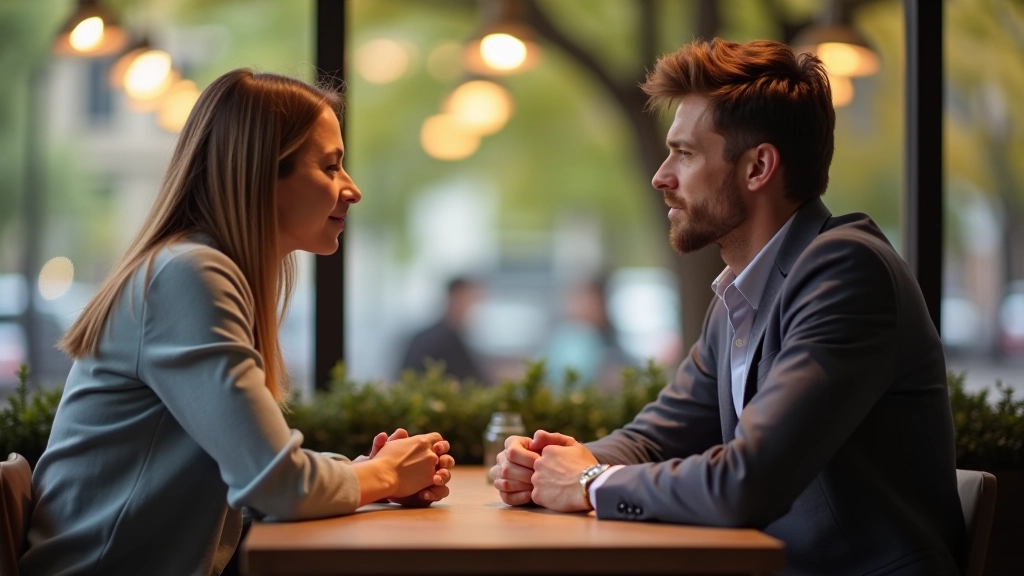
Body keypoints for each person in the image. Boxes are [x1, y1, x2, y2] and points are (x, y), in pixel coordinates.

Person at [490, 38, 966, 576]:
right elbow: (655, 438)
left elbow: (748, 481)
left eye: (685, 153)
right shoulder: (743, 292)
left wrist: (588, 483)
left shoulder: (846, 272)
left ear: (758, 166)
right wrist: (553, 464)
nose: (661, 177)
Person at [20, 69, 455, 576]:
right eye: (331, 166)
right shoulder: (188, 276)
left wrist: (358, 475)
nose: (352, 189)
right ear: (260, 173)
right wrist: (382, 476)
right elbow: (276, 485)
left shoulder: (197, 270)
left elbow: (257, 477)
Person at [398, 277, 486, 382]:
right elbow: (473, 379)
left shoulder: (437, 335)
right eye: (471, 300)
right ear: (456, 298)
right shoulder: (445, 339)